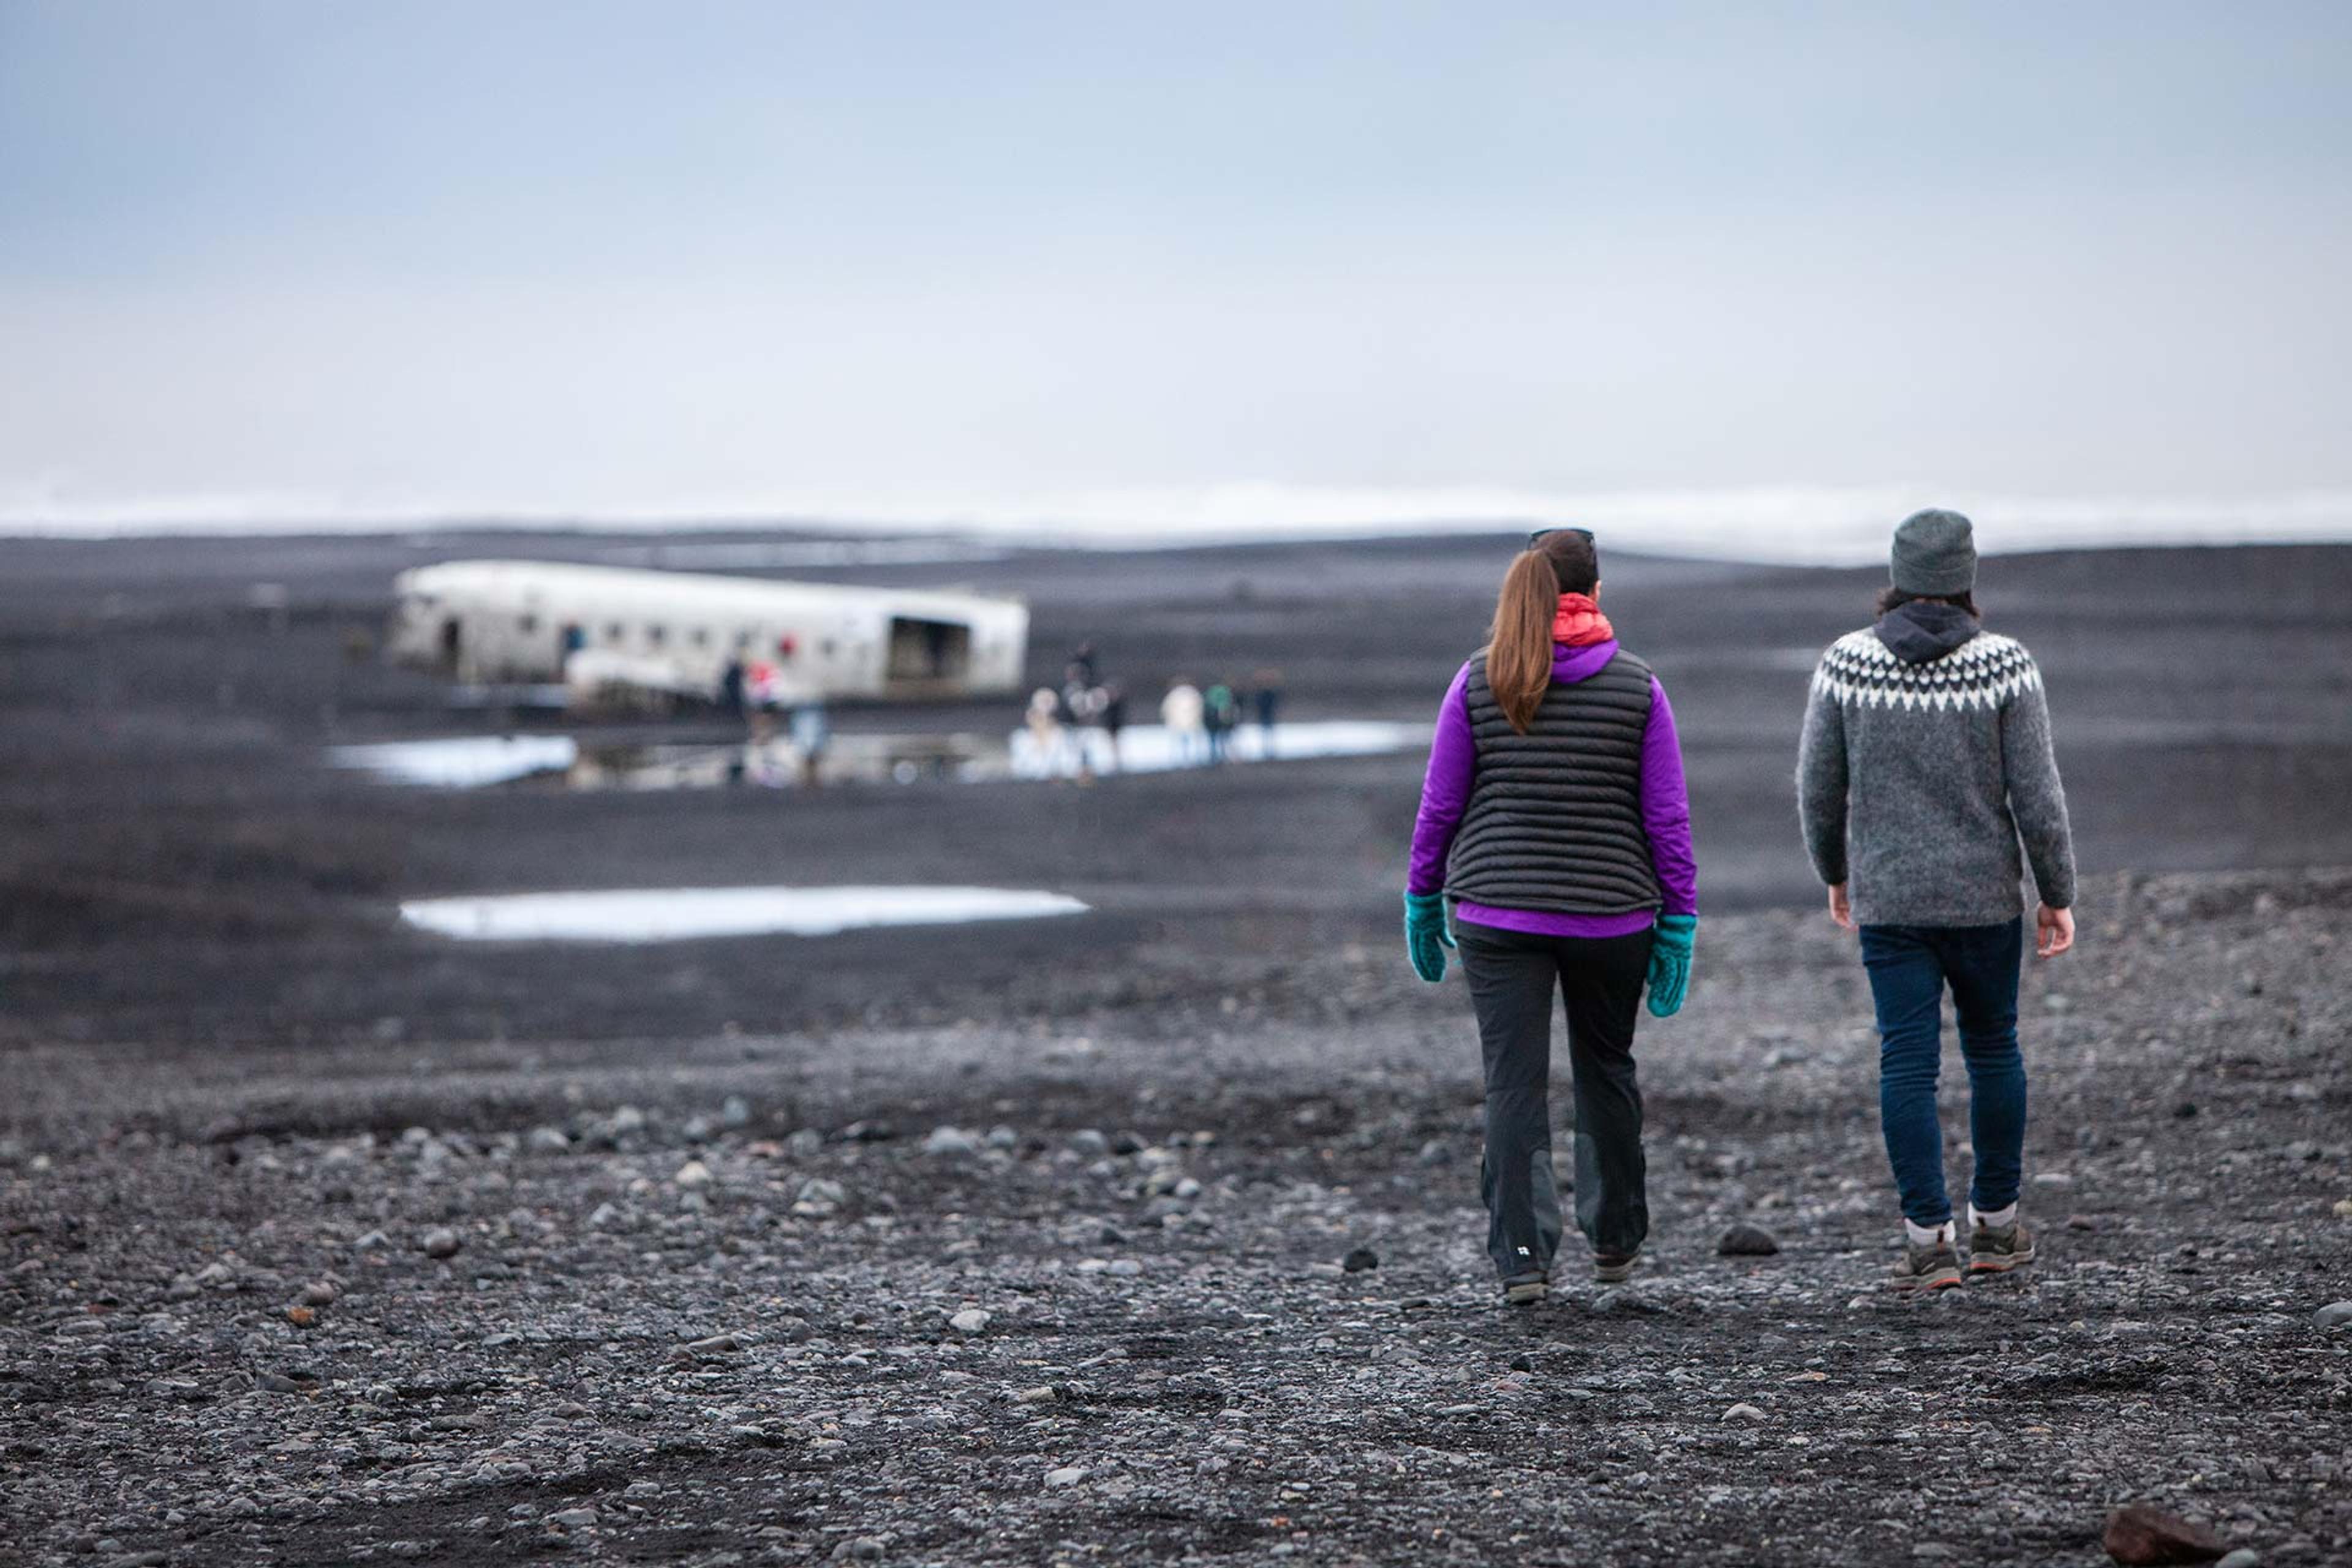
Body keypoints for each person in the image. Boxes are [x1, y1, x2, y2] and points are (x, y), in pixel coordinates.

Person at [1404, 528, 1697, 1305]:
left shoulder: (1477, 681)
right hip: (1614, 918)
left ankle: (1524, 1259)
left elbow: (1440, 805)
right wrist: (1680, 921)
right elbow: (1667, 820)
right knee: (1606, 1072)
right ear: (1595, 595)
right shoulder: (1640, 687)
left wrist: (1421, 897)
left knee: (1513, 1084)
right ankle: (1615, 1243)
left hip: (1497, 917)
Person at [1797, 508, 2076, 1293]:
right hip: (1986, 899)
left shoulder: (1846, 663)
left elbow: (1820, 789)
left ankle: (1927, 1241)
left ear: (1898, 576)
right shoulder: (2006, 666)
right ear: (1966, 577)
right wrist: (2056, 892)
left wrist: (1836, 869)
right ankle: (1995, 1227)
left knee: (1907, 1063)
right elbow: (2039, 798)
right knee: (1994, 1050)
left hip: (1890, 902)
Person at [1161, 679, 1205, 766]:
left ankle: (1180, 760)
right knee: (1190, 742)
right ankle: (1191, 760)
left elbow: (1166, 709)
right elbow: (1200, 708)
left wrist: (1168, 720)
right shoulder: (1193, 694)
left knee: (1180, 742)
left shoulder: (1174, 695)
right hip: (1190, 723)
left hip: (1179, 724)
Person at [1202, 680, 1239, 764]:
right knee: (1221, 741)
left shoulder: (1209, 705)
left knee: (1216, 742)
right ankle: (1221, 757)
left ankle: (1216, 757)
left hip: (1214, 726)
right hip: (1218, 726)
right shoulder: (1224, 704)